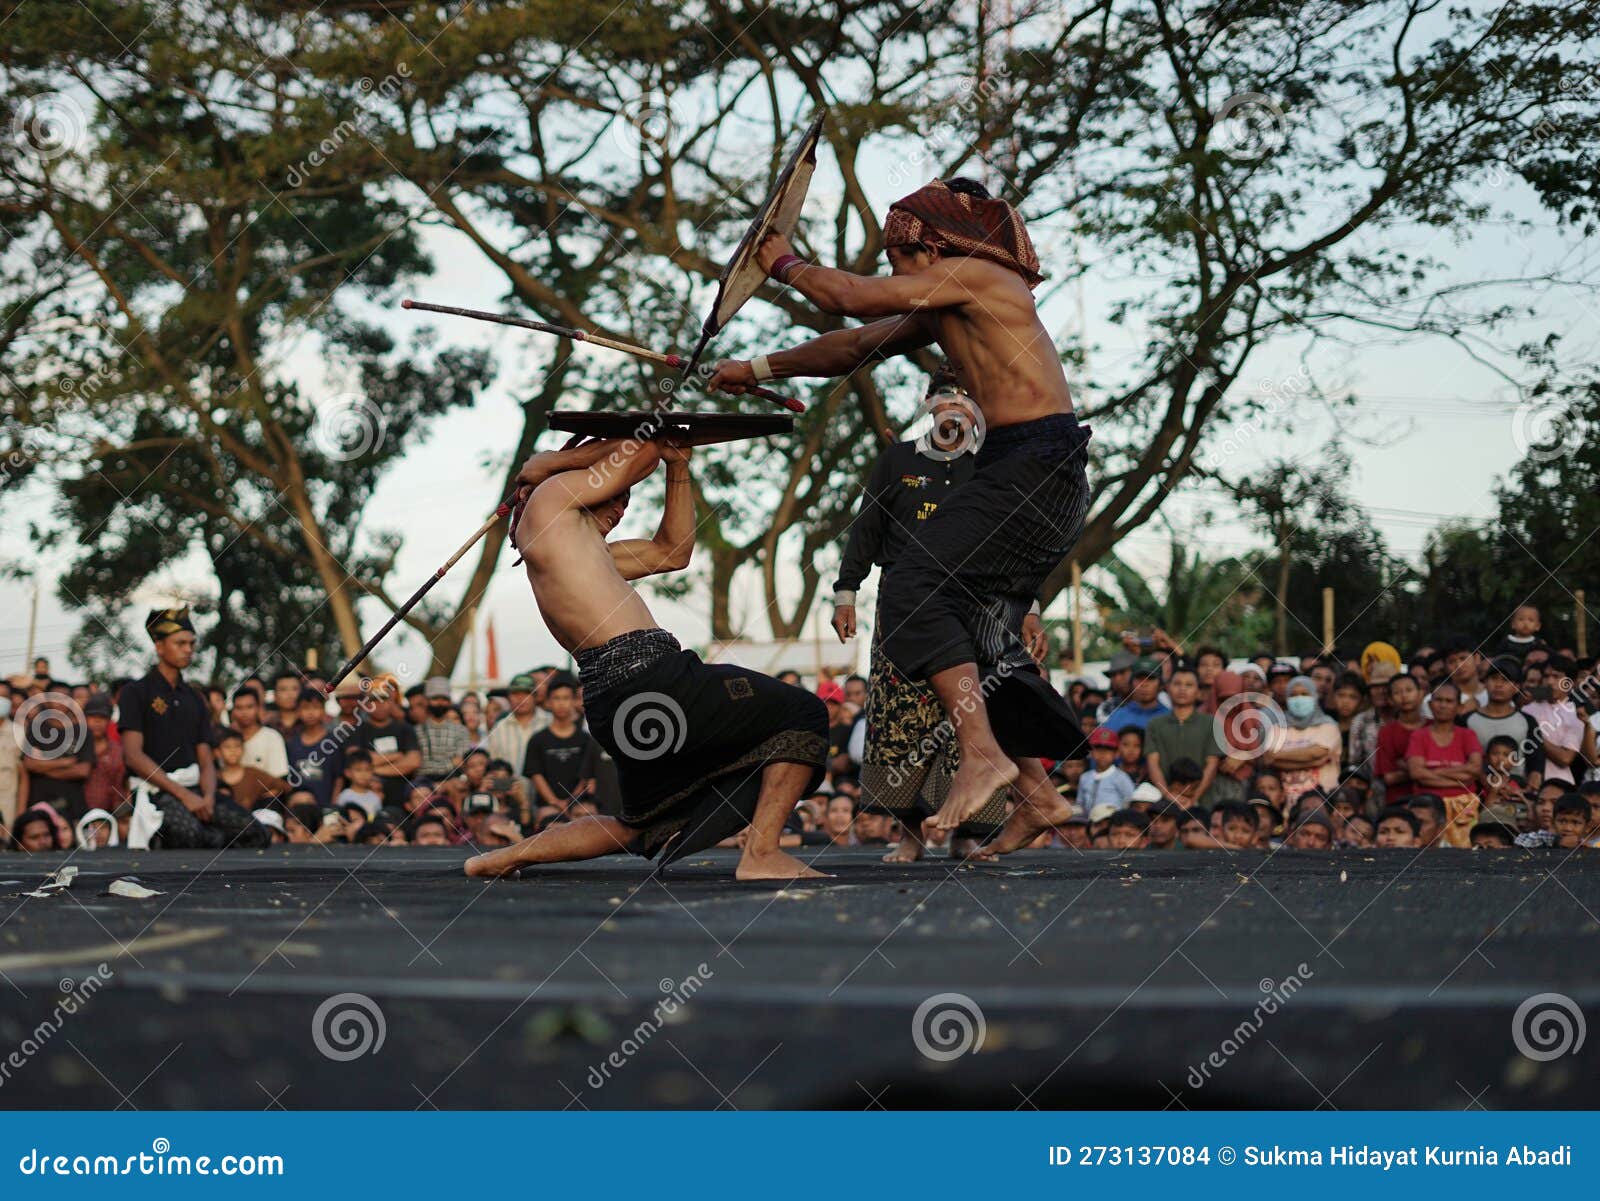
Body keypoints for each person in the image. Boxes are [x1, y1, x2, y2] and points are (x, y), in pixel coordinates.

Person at [712, 177, 1090, 853]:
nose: (892, 272)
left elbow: (844, 297)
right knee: (974, 632)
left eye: (897, 256)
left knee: (913, 586)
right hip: (1029, 466)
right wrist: (759, 368)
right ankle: (1036, 794)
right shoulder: (949, 302)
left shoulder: (976, 276)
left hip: (1035, 462)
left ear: (932, 244)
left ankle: (982, 755)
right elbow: (850, 345)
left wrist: (778, 259)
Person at [464, 436, 829, 882]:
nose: (620, 508)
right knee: (803, 711)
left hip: (616, 700)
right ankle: (762, 853)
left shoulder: (588, 551)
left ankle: (500, 858)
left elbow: (674, 551)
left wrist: (678, 466)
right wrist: (553, 464)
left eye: (625, 500)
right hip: (651, 679)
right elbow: (639, 451)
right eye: (613, 494)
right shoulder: (549, 505)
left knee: (638, 825)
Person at [832, 368, 1039, 862]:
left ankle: (970, 832)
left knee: (972, 714)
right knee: (901, 719)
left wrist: (1031, 607)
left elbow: (1020, 543)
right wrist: (846, 593)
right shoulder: (897, 459)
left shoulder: (994, 466)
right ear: (928, 404)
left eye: (968, 398)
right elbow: (866, 529)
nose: (956, 404)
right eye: (945, 395)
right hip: (902, 604)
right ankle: (911, 836)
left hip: (975, 605)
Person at [118, 607, 267, 849]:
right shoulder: (136, 692)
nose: (188, 649)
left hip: (196, 788)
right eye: (180, 643)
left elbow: (205, 758)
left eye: (191, 643)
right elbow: (133, 756)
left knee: (256, 833)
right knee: (192, 835)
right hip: (158, 791)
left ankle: (215, 842)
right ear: (159, 646)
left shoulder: (195, 698)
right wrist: (184, 795)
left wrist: (207, 796)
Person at [1404, 681, 1482, 847]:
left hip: (1463, 810)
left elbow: (1475, 769)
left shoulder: (1467, 735)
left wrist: (1433, 772)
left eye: (1449, 701)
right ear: (1430, 705)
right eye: (1439, 700)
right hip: (1426, 808)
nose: (1443, 705)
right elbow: (1416, 773)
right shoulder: (1419, 736)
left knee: (1462, 856)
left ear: (1459, 707)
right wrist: (1460, 777)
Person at [1143, 665, 1220, 806]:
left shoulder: (1210, 723)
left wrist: (1194, 798)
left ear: (1198, 692)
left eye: (1189, 685)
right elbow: (1153, 763)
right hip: (1165, 802)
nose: (1182, 689)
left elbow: (1212, 764)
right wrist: (1168, 795)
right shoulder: (1155, 724)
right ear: (1167, 688)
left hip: (1202, 802)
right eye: (1177, 684)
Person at [522, 675, 599, 814]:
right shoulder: (537, 740)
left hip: (578, 809)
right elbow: (536, 775)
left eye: (566, 698)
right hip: (546, 810)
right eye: (556, 698)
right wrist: (555, 803)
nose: (561, 703)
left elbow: (586, 776)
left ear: (574, 701)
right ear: (549, 702)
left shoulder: (586, 739)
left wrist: (571, 802)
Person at [19, 688, 94, 823]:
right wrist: (64, 763)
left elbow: (82, 771)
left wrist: (42, 768)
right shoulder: (35, 727)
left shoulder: (83, 732)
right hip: (40, 803)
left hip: (73, 805)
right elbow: (29, 764)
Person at [1263, 676, 1340, 805]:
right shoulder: (1277, 727)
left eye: (1305, 694)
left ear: (1315, 696)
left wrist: (1279, 755)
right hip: (1285, 803)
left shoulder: (1328, 725)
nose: (1299, 699)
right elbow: (1269, 760)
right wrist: (1315, 762)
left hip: (1323, 800)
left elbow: (1316, 753)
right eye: (1293, 695)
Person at [351, 686, 423, 811]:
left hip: (401, 801)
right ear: (366, 704)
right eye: (374, 700)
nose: (379, 704)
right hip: (366, 802)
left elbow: (413, 762)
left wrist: (372, 769)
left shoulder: (405, 729)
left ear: (392, 702)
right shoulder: (357, 731)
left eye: (384, 699)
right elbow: (355, 762)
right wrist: (396, 756)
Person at [1374, 673, 1427, 803]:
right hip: (1399, 800)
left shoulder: (1434, 726)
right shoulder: (1386, 732)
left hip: (1432, 796)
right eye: (1397, 692)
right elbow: (1389, 778)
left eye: (1409, 690)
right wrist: (1425, 769)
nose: (1404, 696)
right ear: (1391, 700)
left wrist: (1406, 767)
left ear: (1421, 694)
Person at [214, 727, 290, 810]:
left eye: (237, 746)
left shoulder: (253, 774)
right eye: (227, 747)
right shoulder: (213, 777)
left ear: (243, 749)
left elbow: (285, 787)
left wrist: (267, 798)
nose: (233, 751)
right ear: (217, 752)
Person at [417, 676, 471, 781]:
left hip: (453, 782)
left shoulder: (461, 731)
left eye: (444, 699)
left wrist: (430, 766)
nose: (440, 703)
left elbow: (461, 763)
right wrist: (450, 763)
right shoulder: (417, 731)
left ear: (449, 701)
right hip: (423, 784)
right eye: (435, 699)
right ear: (427, 701)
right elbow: (418, 766)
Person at [81, 692, 127, 815]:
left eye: (102, 717)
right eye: (92, 716)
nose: (97, 721)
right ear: (84, 718)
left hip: (107, 816)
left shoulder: (118, 751)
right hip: (75, 813)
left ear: (109, 720)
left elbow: (121, 787)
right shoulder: (73, 747)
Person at [229, 686, 290, 778]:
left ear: (258, 708)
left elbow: (279, 781)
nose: (244, 712)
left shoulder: (272, 737)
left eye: (249, 707)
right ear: (233, 710)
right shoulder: (225, 739)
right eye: (239, 708)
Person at [0, 688, 24, 828]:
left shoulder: (19, 732)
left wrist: (20, 812)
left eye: (4, 696)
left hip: (9, 801)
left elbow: (23, 777)